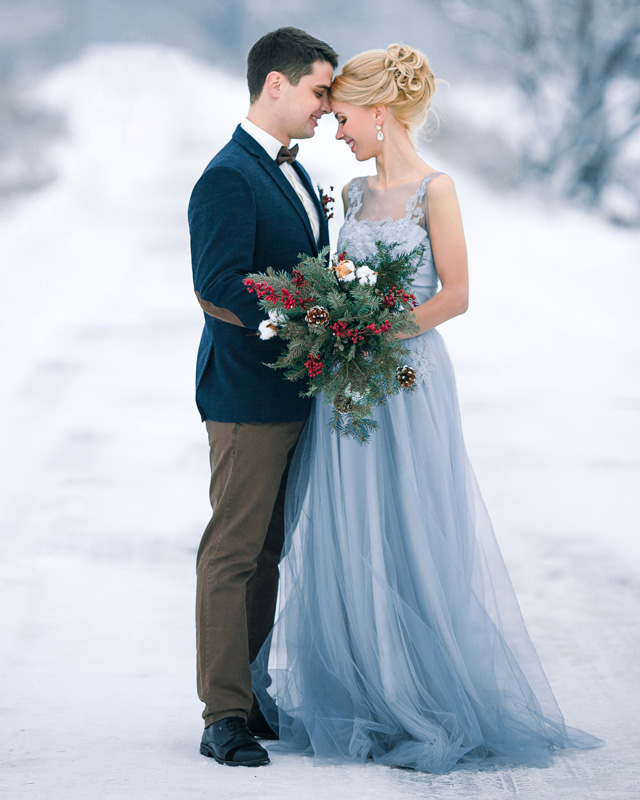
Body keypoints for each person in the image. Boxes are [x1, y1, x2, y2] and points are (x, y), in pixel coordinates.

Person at [251, 44, 603, 772]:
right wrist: (334, 329)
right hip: (348, 384)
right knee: (350, 527)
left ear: (380, 113)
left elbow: (455, 294)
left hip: (406, 377)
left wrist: (372, 332)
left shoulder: (435, 189)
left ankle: (419, 691)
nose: (336, 130)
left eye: (344, 117)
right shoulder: (347, 196)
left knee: (408, 521)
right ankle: (362, 687)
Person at [187, 27, 338, 767]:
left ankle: (249, 692)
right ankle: (221, 716)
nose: (325, 107)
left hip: (293, 394)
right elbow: (217, 285)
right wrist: (301, 322)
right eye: (318, 91)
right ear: (274, 84)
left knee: (268, 553)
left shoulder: (300, 175)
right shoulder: (228, 175)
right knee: (232, 551)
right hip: (245, 394)